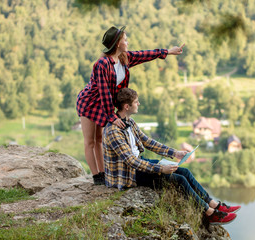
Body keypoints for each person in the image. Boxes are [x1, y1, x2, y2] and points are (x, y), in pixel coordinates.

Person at [103, 88, 241, 225]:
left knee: (184, 171)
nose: (138, 104)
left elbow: (147, 141)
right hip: (127, 174)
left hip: (138, 164)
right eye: (136, 102)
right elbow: (130, 161)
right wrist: (160, 169)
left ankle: (213, 204)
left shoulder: (129, 122)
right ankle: (209, 213)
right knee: (179, 180)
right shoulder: (113, 131)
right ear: (127, 106)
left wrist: (174, 153)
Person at [76, 26, 184, 185]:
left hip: (104, 104)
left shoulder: (124, 58)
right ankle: (96, 175)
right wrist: (111, 116)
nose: (127, 42)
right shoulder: (102, 64)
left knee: (99, 139)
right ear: (117, 43)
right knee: (90, 141)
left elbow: (144, 55)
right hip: (90, 102)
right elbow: (104, 91)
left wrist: (167, 51)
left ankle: (104, 172)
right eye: (125, 39)